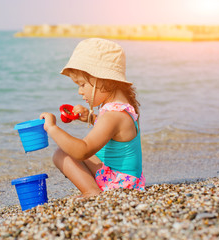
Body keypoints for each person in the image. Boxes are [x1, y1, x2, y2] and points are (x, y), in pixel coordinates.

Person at [40, 38, 145, 197]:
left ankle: (91, 191)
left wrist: (52, 128)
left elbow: (83, 151)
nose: (80, 92)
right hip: (128, 180)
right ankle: (93, 189)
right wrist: (90, 118)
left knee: (62, 154)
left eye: (82, 84)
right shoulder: (123, 108)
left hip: (117, 184)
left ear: (103, 80)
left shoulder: (112, 115)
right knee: (69, 151)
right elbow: (114, 133)